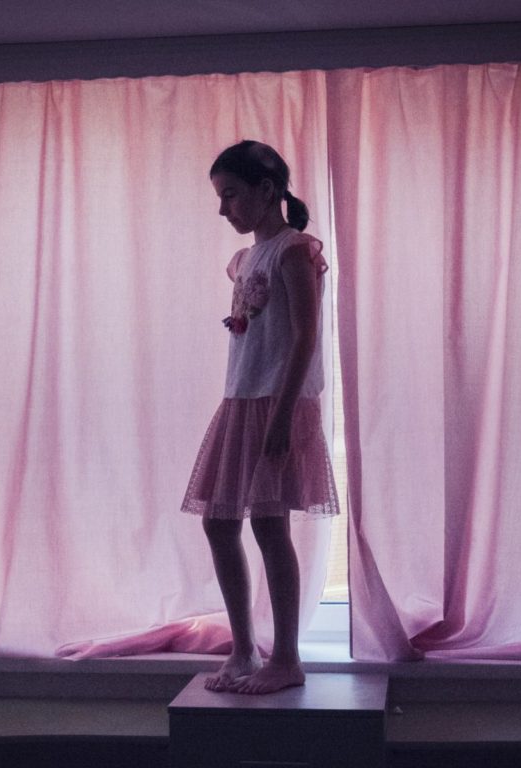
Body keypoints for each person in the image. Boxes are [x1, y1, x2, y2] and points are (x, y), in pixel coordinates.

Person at [181, 140, 339, 694]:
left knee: (270, 526)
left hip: (278, 403)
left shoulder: (293, 251)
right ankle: (245, 649)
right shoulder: (247, 260)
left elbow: (305, 338)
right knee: (219, 523)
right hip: (242, 401)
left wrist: (284, 414)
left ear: (266, 191)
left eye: (230, 195)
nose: (223, 208)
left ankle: (286, 659)